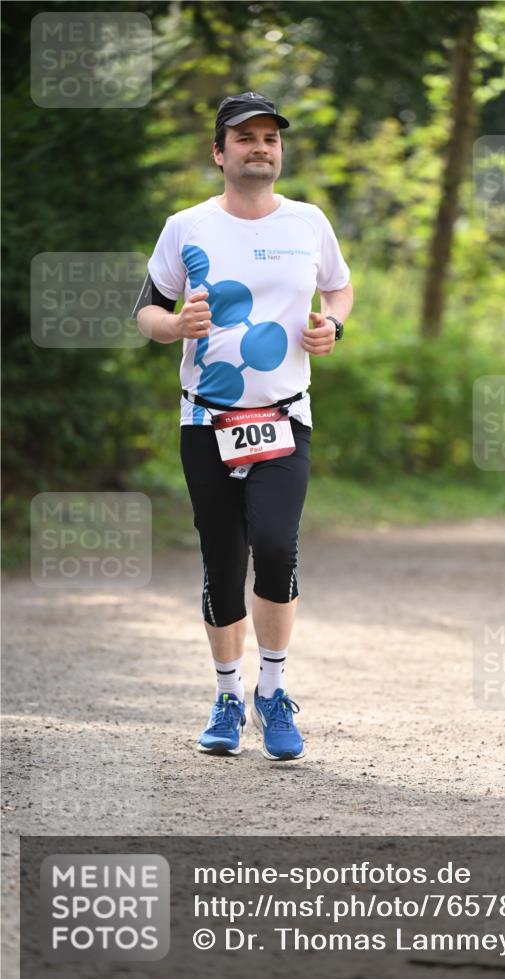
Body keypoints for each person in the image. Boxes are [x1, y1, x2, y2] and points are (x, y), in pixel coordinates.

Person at [133, 92, 353, 761]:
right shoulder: (186, 227)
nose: (261, 148)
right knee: (223, 561)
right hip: (207, 418)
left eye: (270, 138)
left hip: (284, 416)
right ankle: (228, 695)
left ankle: (273, 691)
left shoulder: (308, 221)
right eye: (246, 138)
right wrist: (176, 325)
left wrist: (332, 324)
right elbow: (147, 311)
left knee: (276, 545)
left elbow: (338, 287)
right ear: (219, 152)